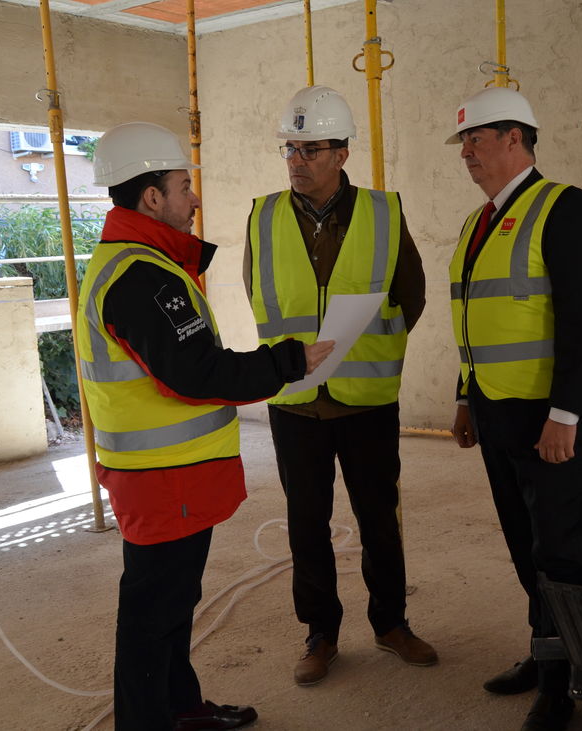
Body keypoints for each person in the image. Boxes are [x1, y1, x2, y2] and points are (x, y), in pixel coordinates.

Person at [76, 121, 333, 730]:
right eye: (184, 186)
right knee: (151, 611)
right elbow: (194, 372)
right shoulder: (142, 276)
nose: (194, 199)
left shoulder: (143, 264)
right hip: (162, 479)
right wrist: (288, 360)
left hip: (170, 477)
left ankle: (180, 708)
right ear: (152, 197)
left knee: (172, 602)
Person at [244, 86, 435, 687]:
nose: (297, 160)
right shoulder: (264, 214)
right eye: (290, 148)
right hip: (296, 400)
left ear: (342, 154)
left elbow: (412, 295)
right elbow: (258, 291)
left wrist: (372, 343)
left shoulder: (384, 213)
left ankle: (391, 623)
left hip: (367, 398)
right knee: (307, 523)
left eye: (311, 149)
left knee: (380, 517)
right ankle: (320, 634)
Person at [445, 87, 582, 731]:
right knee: (525, 544)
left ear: (515, 137)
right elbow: (475, 318)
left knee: (562, 551)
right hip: (497, 411)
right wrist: (466, 395)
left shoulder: (564, 208)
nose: (467, 153)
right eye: (464, 142)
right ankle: (545, 658)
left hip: (550, 415)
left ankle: (566, 681)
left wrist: (566, 415)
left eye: (476, 139)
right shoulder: (478, 220)